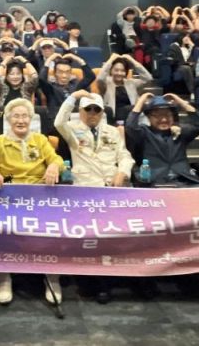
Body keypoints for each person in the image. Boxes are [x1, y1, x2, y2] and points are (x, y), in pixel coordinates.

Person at [0, 99, 65, 306]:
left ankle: (52, 277)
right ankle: (3, 277)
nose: (21, 120)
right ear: (8, 119)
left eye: (25, 116)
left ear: (31, 119)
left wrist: (54, 166)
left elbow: (57, 160)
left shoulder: (40, 140)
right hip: (9, 196)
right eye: (16, 116)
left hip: (39, 196)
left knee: (53, 231)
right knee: (0, 231)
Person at [54, 90, 132, 304]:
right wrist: (73, 96)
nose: (92, 113)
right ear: (80, 112)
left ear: (102, 112)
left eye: (97, 109)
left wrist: (122, 172)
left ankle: (107, 283)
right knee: (87, 239)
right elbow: (58, 121)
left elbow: (125, 156)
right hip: (85, 189)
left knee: (110, 239)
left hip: (111, 188)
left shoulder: (113, 131)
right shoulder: (72, 129)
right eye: (88, 109)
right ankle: (87, 283)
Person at [124, 93, 199, 188]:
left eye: (168, 115)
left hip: (185, 181)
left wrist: (181, 102)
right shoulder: (144, 132)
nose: (164, 119)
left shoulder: (181, 132)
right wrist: (141, 101)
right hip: (154, 182)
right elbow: (130, 126)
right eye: (158, 116)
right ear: (149, 117)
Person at [97, 53, 153, 122]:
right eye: (116, 70)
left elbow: (148, 79)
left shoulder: (132, 83)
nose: (119, 73)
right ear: (111, 70)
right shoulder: (106, 83)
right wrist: (111, 60)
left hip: (131, 118)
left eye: (122, 71)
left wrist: (132, 60)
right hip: (113, 118)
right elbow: (100, 78)